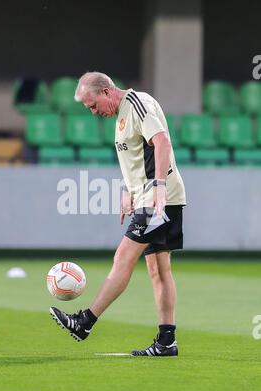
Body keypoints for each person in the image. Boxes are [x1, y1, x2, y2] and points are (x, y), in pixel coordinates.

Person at [50, 72, 186, 357]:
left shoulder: (138, 104)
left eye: (93, 105)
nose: (94, 112)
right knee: (159, 270)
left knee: (123, 257)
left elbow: (161, 142)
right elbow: (137, 157)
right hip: (151, 197)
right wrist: (129, 191)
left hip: (158, 198)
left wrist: (158, 188)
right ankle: (166, 342)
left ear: (107, 91)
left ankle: (84, 322)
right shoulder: (121, 115)